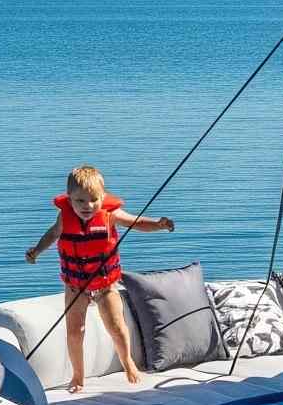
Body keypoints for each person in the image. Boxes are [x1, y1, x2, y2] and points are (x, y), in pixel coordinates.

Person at [24, 164, 176, 391]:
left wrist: (158, 225)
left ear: (103, 197)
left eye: (94, 200)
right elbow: (53, 234)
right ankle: (78, 376)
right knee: (75, 331)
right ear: (70, 199)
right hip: (75, 286)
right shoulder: (65, 217)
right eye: (80, 201)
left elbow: (136, 222)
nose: (88, 206)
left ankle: (128, 362)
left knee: (116, 327)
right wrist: (37, 250)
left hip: (105, 285)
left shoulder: (110, 214)